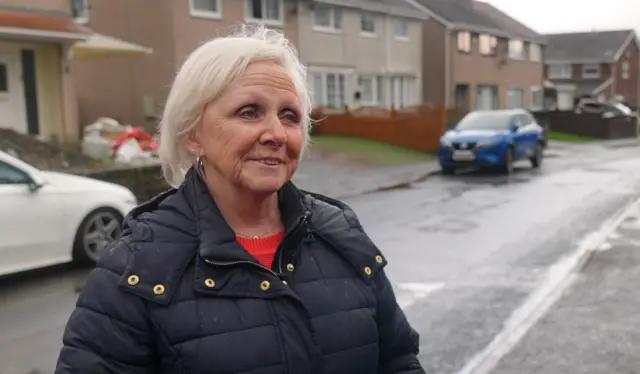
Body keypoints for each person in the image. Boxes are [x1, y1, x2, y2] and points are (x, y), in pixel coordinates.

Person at [55, 25, 425, 374]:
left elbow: (399, 361)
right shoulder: (137, 266)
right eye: (249, 112)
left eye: (290, 116)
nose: (277, 133)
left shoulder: (340, 234)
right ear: (193, 134)